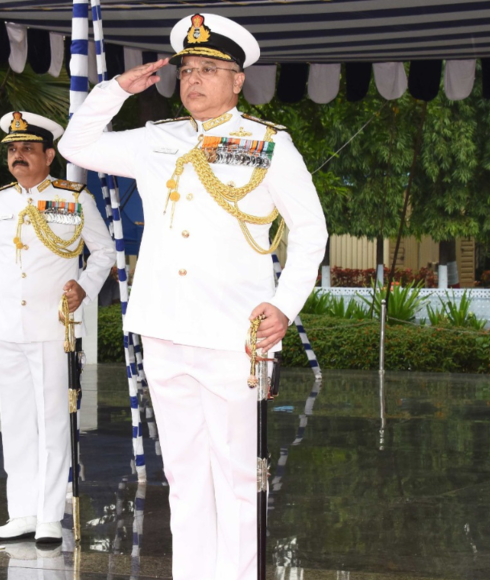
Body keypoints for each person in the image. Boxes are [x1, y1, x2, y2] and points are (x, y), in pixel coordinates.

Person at [58, 13, 328, 580]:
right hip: (163, 327)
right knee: (182, 473)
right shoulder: (159, 139)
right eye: (187, 69)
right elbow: (75, 144)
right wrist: (114, 91)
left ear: (237, 81)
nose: (194, 79)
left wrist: (285, 305)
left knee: (235, 474)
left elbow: (310, 232)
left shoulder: (267, 144)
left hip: (235, 335)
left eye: (209, 69)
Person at [0, 111, 114, 544]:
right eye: (13, 150)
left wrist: (85, 287)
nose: (17, 156)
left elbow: (104, 252)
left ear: (49, 155)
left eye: (27, 149)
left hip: (52, 328)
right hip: (7, 331)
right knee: (16, 424)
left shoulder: (74, 198)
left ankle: (49, 517)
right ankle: (20, 512)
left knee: (53, 423)